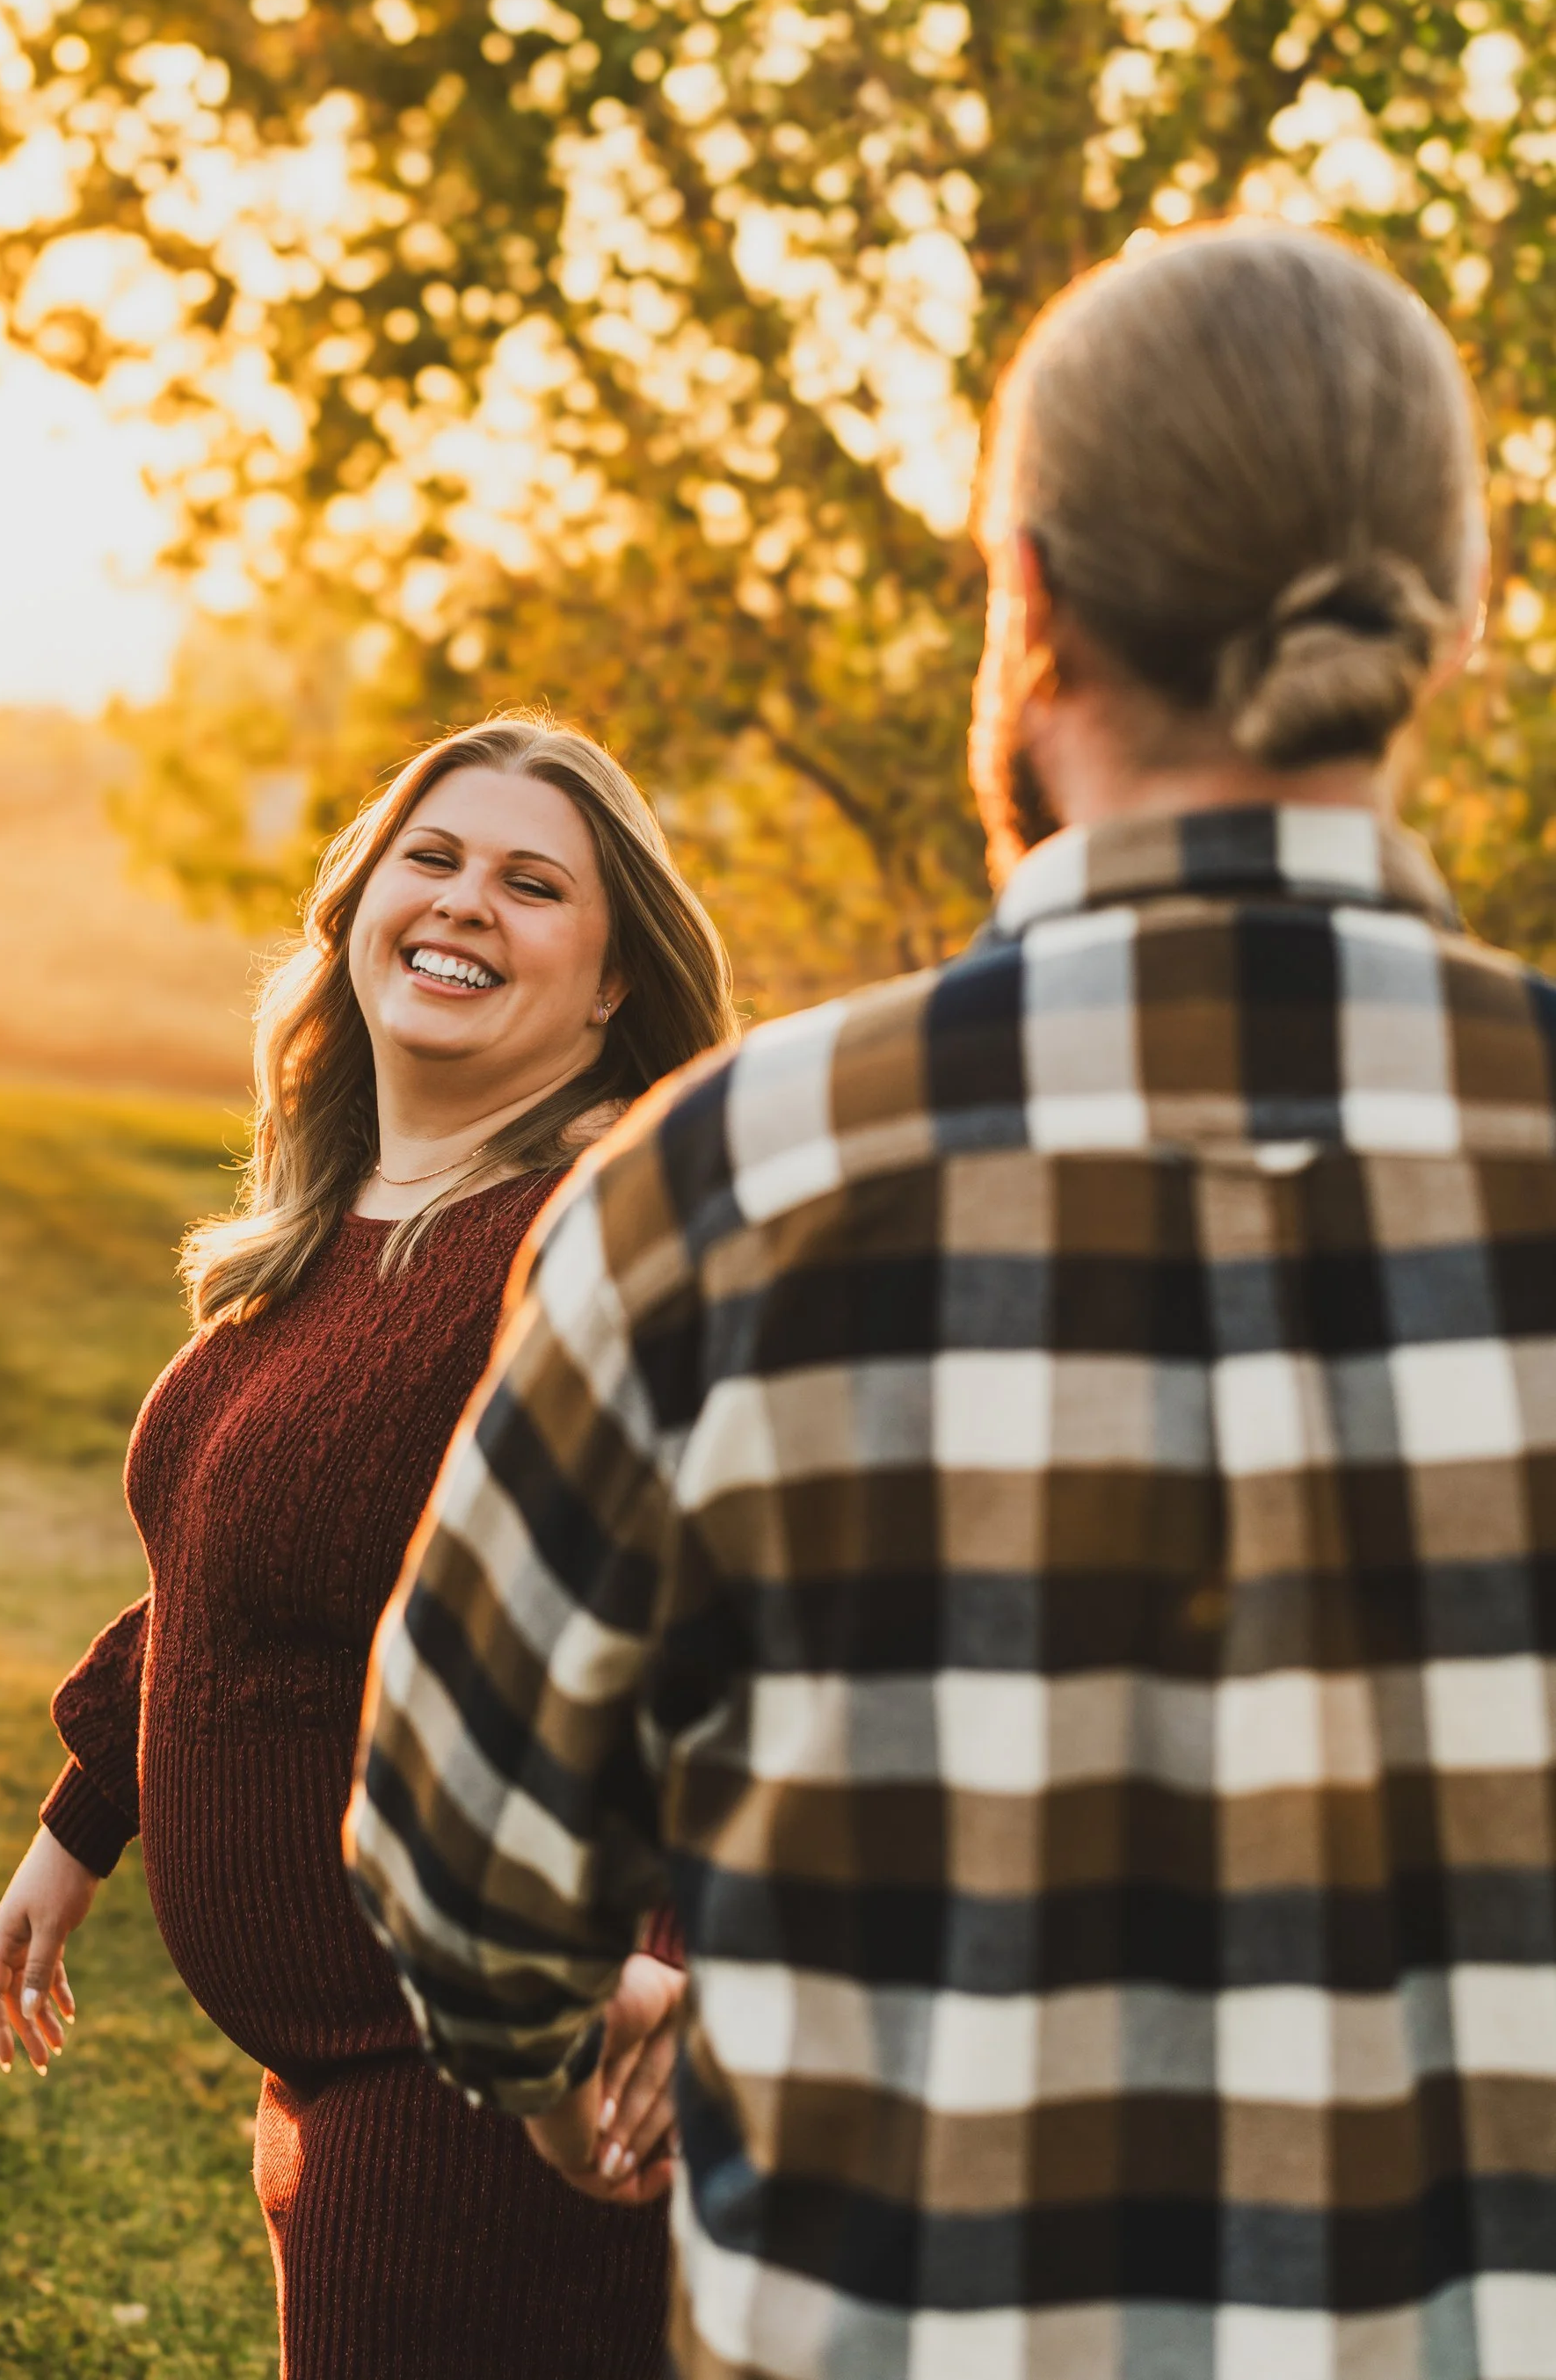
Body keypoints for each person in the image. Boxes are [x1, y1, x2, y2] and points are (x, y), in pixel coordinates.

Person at [346, 221, 1556, 2377]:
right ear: (1438, 630)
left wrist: (556, 2078)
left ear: (1029, 605)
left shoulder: (730, 1177)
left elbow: (452, 1861)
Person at [0, 711, 739, 2376]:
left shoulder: (590, 1235)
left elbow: (729, 1616)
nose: (468, 903)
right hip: (348, 2065)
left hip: (494, 2080)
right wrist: (87, 1815)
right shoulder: (346, 1235)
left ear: (614, 986)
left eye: (536, 885)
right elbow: (239, 1572)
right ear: (360, 905)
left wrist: (655, 1970)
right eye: (436, 858)